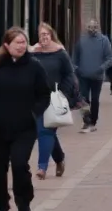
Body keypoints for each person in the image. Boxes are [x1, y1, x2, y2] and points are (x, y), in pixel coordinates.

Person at [0, 27, 51, 211]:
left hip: (24, 129)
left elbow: (44, 95)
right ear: (6, 45)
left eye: (24, 42)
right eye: (17, 42)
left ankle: (24, 206)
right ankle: (1, 206)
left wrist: (33, 113)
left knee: (19, 165)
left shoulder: (34, 67)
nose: (21, 46)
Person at [30, 23, 77, 180]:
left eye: (46, 34)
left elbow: (69, 75)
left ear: (51, 35)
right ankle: (59, 158)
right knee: (45, 131)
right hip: (36, 98)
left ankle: (42, 167)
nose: (44, 37)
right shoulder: (33, 53)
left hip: (53, 98)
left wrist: (63, 93)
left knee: (45, 131)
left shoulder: (60, 53)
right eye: (41, 34)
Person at [72, 18, 112, 133]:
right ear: (86, 27)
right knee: (84, 99)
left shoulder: (104, 40)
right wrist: (76, 69)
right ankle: (86, 121)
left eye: (94, 27)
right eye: (90, 27)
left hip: (97, 76)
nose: (92, 29)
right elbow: (75, 57)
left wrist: (101, 68)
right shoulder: (81, 40)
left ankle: (93, 122)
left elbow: (110, 58)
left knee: (95, 99)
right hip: (83, 75)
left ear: (98, 27)